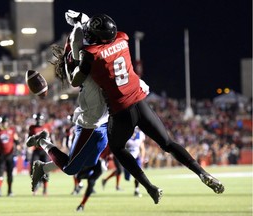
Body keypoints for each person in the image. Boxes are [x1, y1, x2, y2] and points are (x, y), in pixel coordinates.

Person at [66, 13, 225, 204]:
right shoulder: (122, 39)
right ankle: (202, 173)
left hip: (120, 111)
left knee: (117, 148)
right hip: (141, 104)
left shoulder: (90, 54)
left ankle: (149, 186)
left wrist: (72, 59)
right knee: (168, 143)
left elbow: (75, 80)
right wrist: (87, 21)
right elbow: (102, 32)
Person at [26, 10, 110, 211]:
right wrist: (80, 22)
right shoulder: (80, 56)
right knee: (72, 168)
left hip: (103, 118)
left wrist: (82, 20)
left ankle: (44, 167)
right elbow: (76, 73)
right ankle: (42, 141)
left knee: (86, 162)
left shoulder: (94, 48)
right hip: (90, 118)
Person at [0, 115, 20, 197]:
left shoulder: (12, 130)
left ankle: (10, 190)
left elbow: (17, 141)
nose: (4, 124)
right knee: (0, 173)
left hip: (10, 154)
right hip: (1, 155)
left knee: (10, 173)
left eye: (5, 123)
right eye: (2, 123)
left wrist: (18, 146)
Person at [26, 113, 52, 196]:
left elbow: (52, 138)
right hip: (36, 150)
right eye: (37, 120)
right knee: (33, 169)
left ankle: (45, 189)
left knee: (46, 170)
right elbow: (28, 139)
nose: (38, 121)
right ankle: (36, 186)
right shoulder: (32, 127)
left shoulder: (47, 126)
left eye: (39, 119)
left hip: (45, 150)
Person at [124, 127, 146, 197]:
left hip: (137, 156)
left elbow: (142, 147)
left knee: (138, 174)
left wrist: (142, 158)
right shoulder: (125, 133)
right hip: (127, 156)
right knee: (127, 177)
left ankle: (136, 190)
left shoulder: (141, 134)